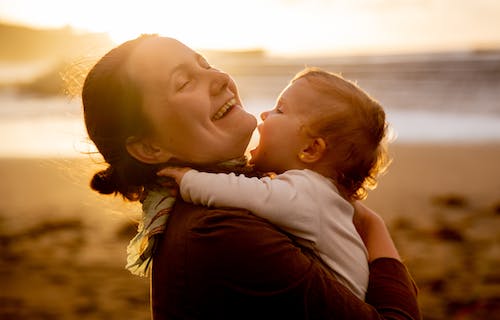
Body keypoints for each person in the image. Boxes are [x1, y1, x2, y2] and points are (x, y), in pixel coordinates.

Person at [82, 34, 421, 319]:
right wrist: (372, 226)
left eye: (205, 63)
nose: (219, 78)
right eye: (184, 82)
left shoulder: (232, 199)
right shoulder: (220, 232)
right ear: (149, 148)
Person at [157, 67, 391, 300]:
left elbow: (243, 192)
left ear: (310, 149)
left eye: (280, 110)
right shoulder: (323, 197)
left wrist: (187, 180)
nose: (264, 115)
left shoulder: (308, 192)